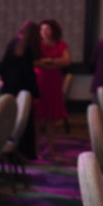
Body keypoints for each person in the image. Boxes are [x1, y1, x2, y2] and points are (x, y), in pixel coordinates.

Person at [1, 20, 41, 160]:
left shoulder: (14, 43)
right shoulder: (27, 48)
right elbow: (28, 74)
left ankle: (11, 151)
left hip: (9, 87)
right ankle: (24, 152)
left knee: (12, 119)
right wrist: (35, 93)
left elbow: (4, 67)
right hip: (22, 88)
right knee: (24, 121)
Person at [34, 19, 70, 158]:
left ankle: (51, 149)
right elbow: (36, 63)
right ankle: (35, 149)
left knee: (50, 118)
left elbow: (66, 61)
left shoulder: (61, 44)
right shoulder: (37, 45)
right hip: (40, 81)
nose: (45, 32)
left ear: (54, 30)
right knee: (37, 118)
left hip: (54, 83)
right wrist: (52, 63)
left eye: (47, 29)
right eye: (42, 30)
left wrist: (50, 62)